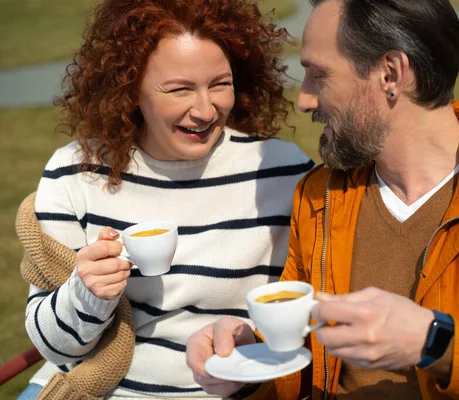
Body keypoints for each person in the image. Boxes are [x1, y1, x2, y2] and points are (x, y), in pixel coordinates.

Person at [185, 0, 459, 399]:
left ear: (390, 74)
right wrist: (250, 367)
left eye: (318, 75)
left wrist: (437, 344)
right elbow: (306, 365)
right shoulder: (322, 196)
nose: (305, 100)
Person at [17, 0, 314, 398]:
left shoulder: (282, 171)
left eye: (220, 84)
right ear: (130, 87)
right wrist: (87, 293)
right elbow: (55, 346)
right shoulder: (74, 173)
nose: (206, 110)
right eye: (179, 89)